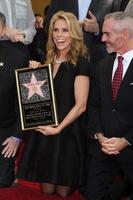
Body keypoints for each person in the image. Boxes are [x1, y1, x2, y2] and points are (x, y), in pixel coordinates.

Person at [17, 11, 90, 197]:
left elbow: (81, 105)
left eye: (65, 30)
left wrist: (58, 128)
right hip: (45, 133)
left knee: (64, 193)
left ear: (73, 33)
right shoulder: (45, 60)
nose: (59, 35)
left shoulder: (80, 63)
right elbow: (36, 100)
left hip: (67, 133)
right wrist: (32, 74)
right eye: (55, 30)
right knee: (47, 190)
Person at [86, 11, 133, 200]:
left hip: (130, 145)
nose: (103, 38)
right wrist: (99, 135)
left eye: (107, 34)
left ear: (125, 35)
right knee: (93, 195)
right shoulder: (103, 65)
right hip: (103, 147)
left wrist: (126, 140)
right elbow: (94, 105)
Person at [0, 12, 29, 188]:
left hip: (4, 130)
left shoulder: (18, 58)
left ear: (3, 30)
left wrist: (16, 136)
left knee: (3, 181)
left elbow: (24, 102)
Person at [43, 0, 122, 63]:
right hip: (66, 60)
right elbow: (47, 24)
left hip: (97, 61)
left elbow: (120, 29)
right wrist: (69, 27)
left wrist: (98, 29)